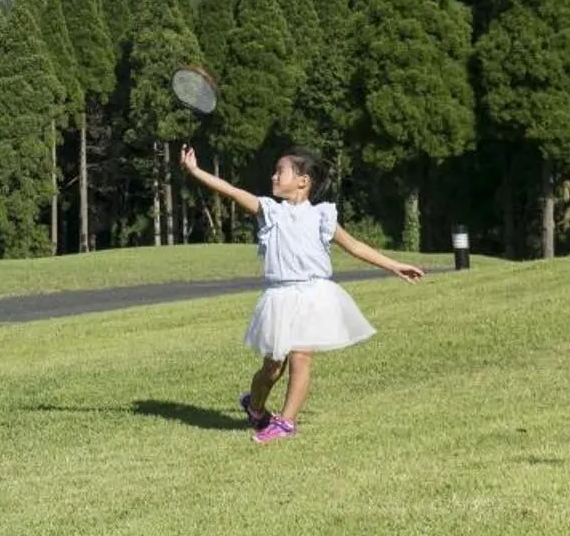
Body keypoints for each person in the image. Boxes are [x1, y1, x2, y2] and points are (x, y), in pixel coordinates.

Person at [177, 145, 423, 443]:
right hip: (280, 297)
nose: (273, 176)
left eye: (280, 171)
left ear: (303, 180)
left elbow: (356, 246)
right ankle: (254, 407)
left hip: (314, 294)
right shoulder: (269, 211)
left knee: (302, 357)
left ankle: (285, 423)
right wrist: (195, 171)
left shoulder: (323, 216)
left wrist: (395, 266)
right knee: (272, 368)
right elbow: (230, 190)